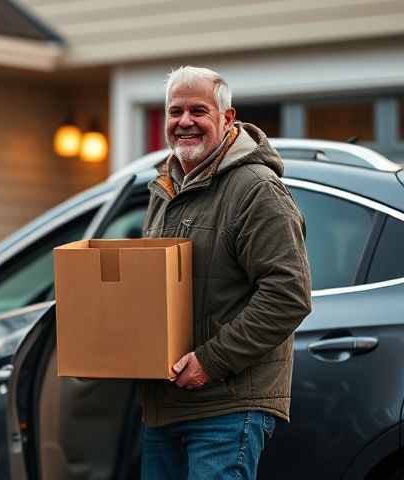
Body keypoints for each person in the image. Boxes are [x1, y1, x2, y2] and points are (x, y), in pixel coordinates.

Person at [139, 66, 312, 479]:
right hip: (164, 406)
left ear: (226, 118)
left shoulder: (256, 189)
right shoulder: (164, 190)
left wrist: (210, 361)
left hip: (225, 407)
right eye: (175, 111)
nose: (184, 122)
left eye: (198, 110)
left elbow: (288, 294)